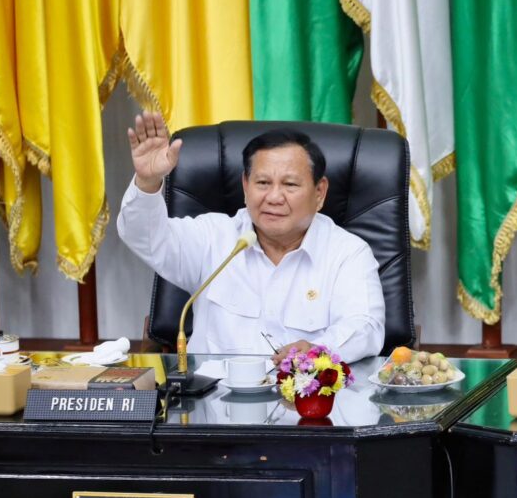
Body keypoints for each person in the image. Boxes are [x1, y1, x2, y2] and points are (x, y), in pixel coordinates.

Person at [117, 111, 385, 364]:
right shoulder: (213, 238)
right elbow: (145, 237)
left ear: (319, 192)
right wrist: (147, 182)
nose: (274, 197)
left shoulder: (347, 253)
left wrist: (317, 349)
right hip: (215, 395)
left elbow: (366, 327)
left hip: (301, 393)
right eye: (263, 183)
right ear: (245, 185)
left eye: (290, 184)